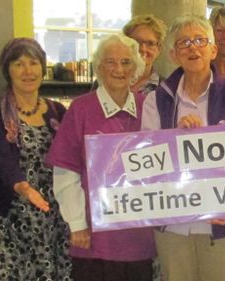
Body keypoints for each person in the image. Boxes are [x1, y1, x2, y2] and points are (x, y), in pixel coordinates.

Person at [141, 14, 225, 281]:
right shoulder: (155, 100)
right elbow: (146, 161)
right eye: (184, 43)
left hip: (223, 225)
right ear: (173, 54)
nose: (193, 47)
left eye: (200, 40)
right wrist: (174, 138)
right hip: (173, 224)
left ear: (213, 49)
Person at [46, 34, 156, 281]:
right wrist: (77, 223)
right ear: (98, 67)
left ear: (136, 69)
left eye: (126, 62)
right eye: (110, 62)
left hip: (139, 237)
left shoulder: (148, 107)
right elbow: (66, 171)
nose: (118, 69)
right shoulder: (81, 109)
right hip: (95, 238)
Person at [0, 37, 70, 280]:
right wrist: (22, 186)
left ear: (42, 67)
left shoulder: (58, 111)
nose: (27, 71)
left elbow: (75, 154)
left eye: (33, 63)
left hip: (56, 218)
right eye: (18, 64)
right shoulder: (0, 113)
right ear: (8, 71)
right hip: (12, 220)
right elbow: (2, 158)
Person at [123, 14, 167, 95]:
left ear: (159, 49)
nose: (143, 49)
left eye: (150, 43)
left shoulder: (168, 90)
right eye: (137, 42)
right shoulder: (106, 82)